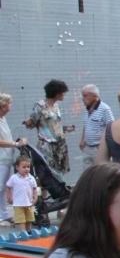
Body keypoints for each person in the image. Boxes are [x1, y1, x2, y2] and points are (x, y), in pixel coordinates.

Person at [24, 79, 74, 174]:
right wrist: (28, 122)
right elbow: (31, 123)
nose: (64, 95)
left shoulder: (56, 106)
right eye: (63, 92)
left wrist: (65, 129)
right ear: (57, 93)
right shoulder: (40, 106)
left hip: (59, 143)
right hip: (46, 144)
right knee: (47, 172)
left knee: (59, 172)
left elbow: (54, 124)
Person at [0, 93, 28, 224]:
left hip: (6, 158)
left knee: (4, 186)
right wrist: (15, 144)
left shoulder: (3, 118)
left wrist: (16, 142)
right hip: (1, 159)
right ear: (3, 105)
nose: (10, 106)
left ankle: (4, 213)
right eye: (9, 104)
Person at [80, 84, 114, 172]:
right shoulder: (87, 109)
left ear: (95, 96)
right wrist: (82, 139)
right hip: (87, 147)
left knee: (101, 172)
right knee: (87, 173)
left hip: (98, 148)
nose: (82, 98)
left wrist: (104, 145)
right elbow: (86, 124)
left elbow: (111, 127)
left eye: (85, 95)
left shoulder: (105, 109)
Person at [6, 156, 38, 232]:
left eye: (28, 167)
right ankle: (23, 232)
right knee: (21, 219)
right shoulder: (14, 178)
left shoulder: (31, 178)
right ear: (17, 167)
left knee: (29, 218)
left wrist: (35, 197)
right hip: (18, 203)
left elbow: (34, 188)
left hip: (29, 203)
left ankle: (29, 230)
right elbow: (8, 187)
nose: (26, 169)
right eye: (24, 167)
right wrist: (9, 197)